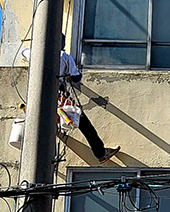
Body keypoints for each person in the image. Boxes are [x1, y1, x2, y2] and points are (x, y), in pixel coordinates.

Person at [26, 36, 121, 164]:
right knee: (83, 122)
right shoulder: (64, 56)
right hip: (58, 95)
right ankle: (101, 153)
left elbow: (23, 52)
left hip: (37, 96)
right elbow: (76, 78)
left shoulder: (34, 53)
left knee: (43, 122)